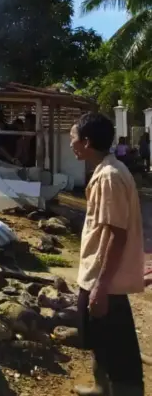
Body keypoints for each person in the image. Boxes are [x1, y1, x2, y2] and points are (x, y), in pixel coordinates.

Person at [69, 112, 145, 396]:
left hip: (105, 279)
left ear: (87, 142)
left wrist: (101, 286)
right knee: (100, 339)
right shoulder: (107, 170)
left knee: (118, 351)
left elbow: (117, 232)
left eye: (73, 139)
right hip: (96, 274)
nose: (71, 145)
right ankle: (102, 388)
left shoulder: (110, 176)